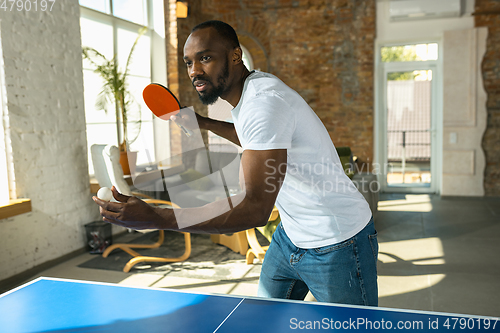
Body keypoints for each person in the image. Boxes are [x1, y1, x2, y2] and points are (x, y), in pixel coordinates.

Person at [93, 20, 378, 306]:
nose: (194, 71)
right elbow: (255, 139)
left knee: (353, 326)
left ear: (235, 55)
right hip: (291, 233)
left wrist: (158, 218)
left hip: (337, 241)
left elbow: (253, 210)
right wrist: (203, 122)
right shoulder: (251, 89)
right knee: (265, 321)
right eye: (188, 62)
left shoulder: (264, 103)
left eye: (205, 58)